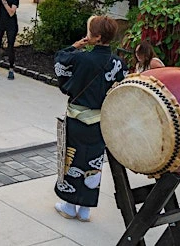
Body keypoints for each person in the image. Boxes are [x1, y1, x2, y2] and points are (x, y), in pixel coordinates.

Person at [53, 15, 128, 222]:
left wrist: (74, 46)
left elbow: (60, 61)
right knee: (93, 163)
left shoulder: (80, 58)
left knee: (71, 158)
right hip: (100, 121)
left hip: (77, 119)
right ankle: (85, 208)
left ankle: (69, 206)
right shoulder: (119, 63)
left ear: (95, 37)